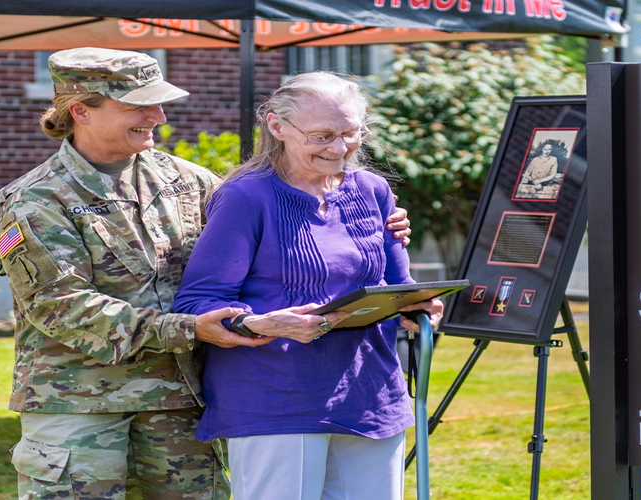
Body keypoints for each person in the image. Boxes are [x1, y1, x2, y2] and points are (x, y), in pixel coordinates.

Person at [0, 49, 412, 500]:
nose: (159, 115)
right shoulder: (34, 201)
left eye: (159, 102)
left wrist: (366, 221)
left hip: (178, 397)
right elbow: (60, 307)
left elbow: (266, 245)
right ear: (81, 110)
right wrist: (190, 327)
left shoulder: (190, 180)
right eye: (138, 105)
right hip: (82, 401)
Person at [172, 71, 444, 500]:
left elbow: (399, 286)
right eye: (322, 136)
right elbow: (197, 301)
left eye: (351, 133)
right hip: (275, 397)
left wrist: (417, 309)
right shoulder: (247, 197)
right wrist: (261, 322)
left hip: (369, 394)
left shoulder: (373, 191)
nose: (339, 148)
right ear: (278, 127)